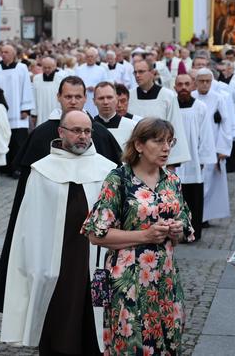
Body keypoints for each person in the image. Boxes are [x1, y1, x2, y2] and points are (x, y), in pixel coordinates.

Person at [0, 76, 122, 314]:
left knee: (96, 280)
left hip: (95, 236)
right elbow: (27, 197)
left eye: (78, 96)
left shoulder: (99, 135)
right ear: (59, 97)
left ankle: (101, 327)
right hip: (52, 233)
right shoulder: (41, 135)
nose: (72, 101)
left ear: (85, 98)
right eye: (67, 96)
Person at [1, 110, 116, 355]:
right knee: (59, 319)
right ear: (61, 132)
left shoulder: (107, 169)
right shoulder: (42, 171)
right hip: (56, 259)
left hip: (97, 259)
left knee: (96, 318)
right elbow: (29, 223)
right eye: (76, 131)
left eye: (86, 131)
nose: (82, 136)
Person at [82, 118, 194, 355]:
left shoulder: (172, 181)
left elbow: (185, 226)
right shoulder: (119, 180)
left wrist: (177, 230)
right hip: (129, 281)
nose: (166, 148)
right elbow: (95, 235)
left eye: (169, 142)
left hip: (166, 281)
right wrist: (146, 235)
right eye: (158, 141)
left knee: (167, 343)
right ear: (139, 145)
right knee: (131, 345)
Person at [175, 74, 216, 240]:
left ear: (192, 85)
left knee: (194, 198)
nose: (183, 87)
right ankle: (178, 233)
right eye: (180, 84)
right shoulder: (171, 106)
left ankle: (193, 232)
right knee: (177, 198)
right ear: (175, 86)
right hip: (175, 159)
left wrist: (203, 158)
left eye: (186, 84)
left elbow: (206, 134)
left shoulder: (200, 107)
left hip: (193, 159)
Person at [127, 59, 191, 165]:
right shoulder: (130, 96)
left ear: (153, 73)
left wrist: (173, 162)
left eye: (141, 71)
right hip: (136, 156)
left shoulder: (168, 96)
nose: (137, 75)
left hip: (160, 156)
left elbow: (175, 126)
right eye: (135, 72)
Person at [192, 68, 234, 225]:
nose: (204, 84)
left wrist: (223, 148)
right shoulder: (190, 98)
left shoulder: (218, 99)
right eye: (201, 81)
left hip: (213, 147)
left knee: (209, 183)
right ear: (196, 82)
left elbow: (226, 125)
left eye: (208, 81)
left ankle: (205, 216)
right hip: (194, 148)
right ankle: (196, 215)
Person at [0, 44, 34, 177]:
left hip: (18, 110)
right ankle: (4, 168)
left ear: (14, 54)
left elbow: (26, 88)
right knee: (3, 139)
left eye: (7, 52)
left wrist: (25, 108)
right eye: (2, 52)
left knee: (18, 141)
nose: (3, 54)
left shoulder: (21, 68)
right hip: (2, 111)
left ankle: (17, 168)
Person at [92, 81, 136, 149]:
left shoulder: (132, 127)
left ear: (116, 99)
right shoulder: (89, 127)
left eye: (109, 97)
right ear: (94, 101)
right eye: (101, 98)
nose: (105, 102)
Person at [31, 57, 67, 127]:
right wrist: (34, 114)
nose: (47, 70)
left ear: (55, 67)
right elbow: (34, 97)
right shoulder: (37, 79)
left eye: (49, 67)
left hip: (57, 111)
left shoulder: (61, 78)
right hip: (41, 112)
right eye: (45, 67)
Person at [74, 47, 109, 116]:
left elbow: (105, 85)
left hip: (96, 97)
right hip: (83, 98)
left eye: (91, 56)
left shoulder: (101, 70)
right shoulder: (79, 69)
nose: (90, 58)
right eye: (88, 57)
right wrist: (85, 88)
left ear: (96, 57)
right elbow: (75, 84)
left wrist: (95, 88)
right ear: (85, 58)